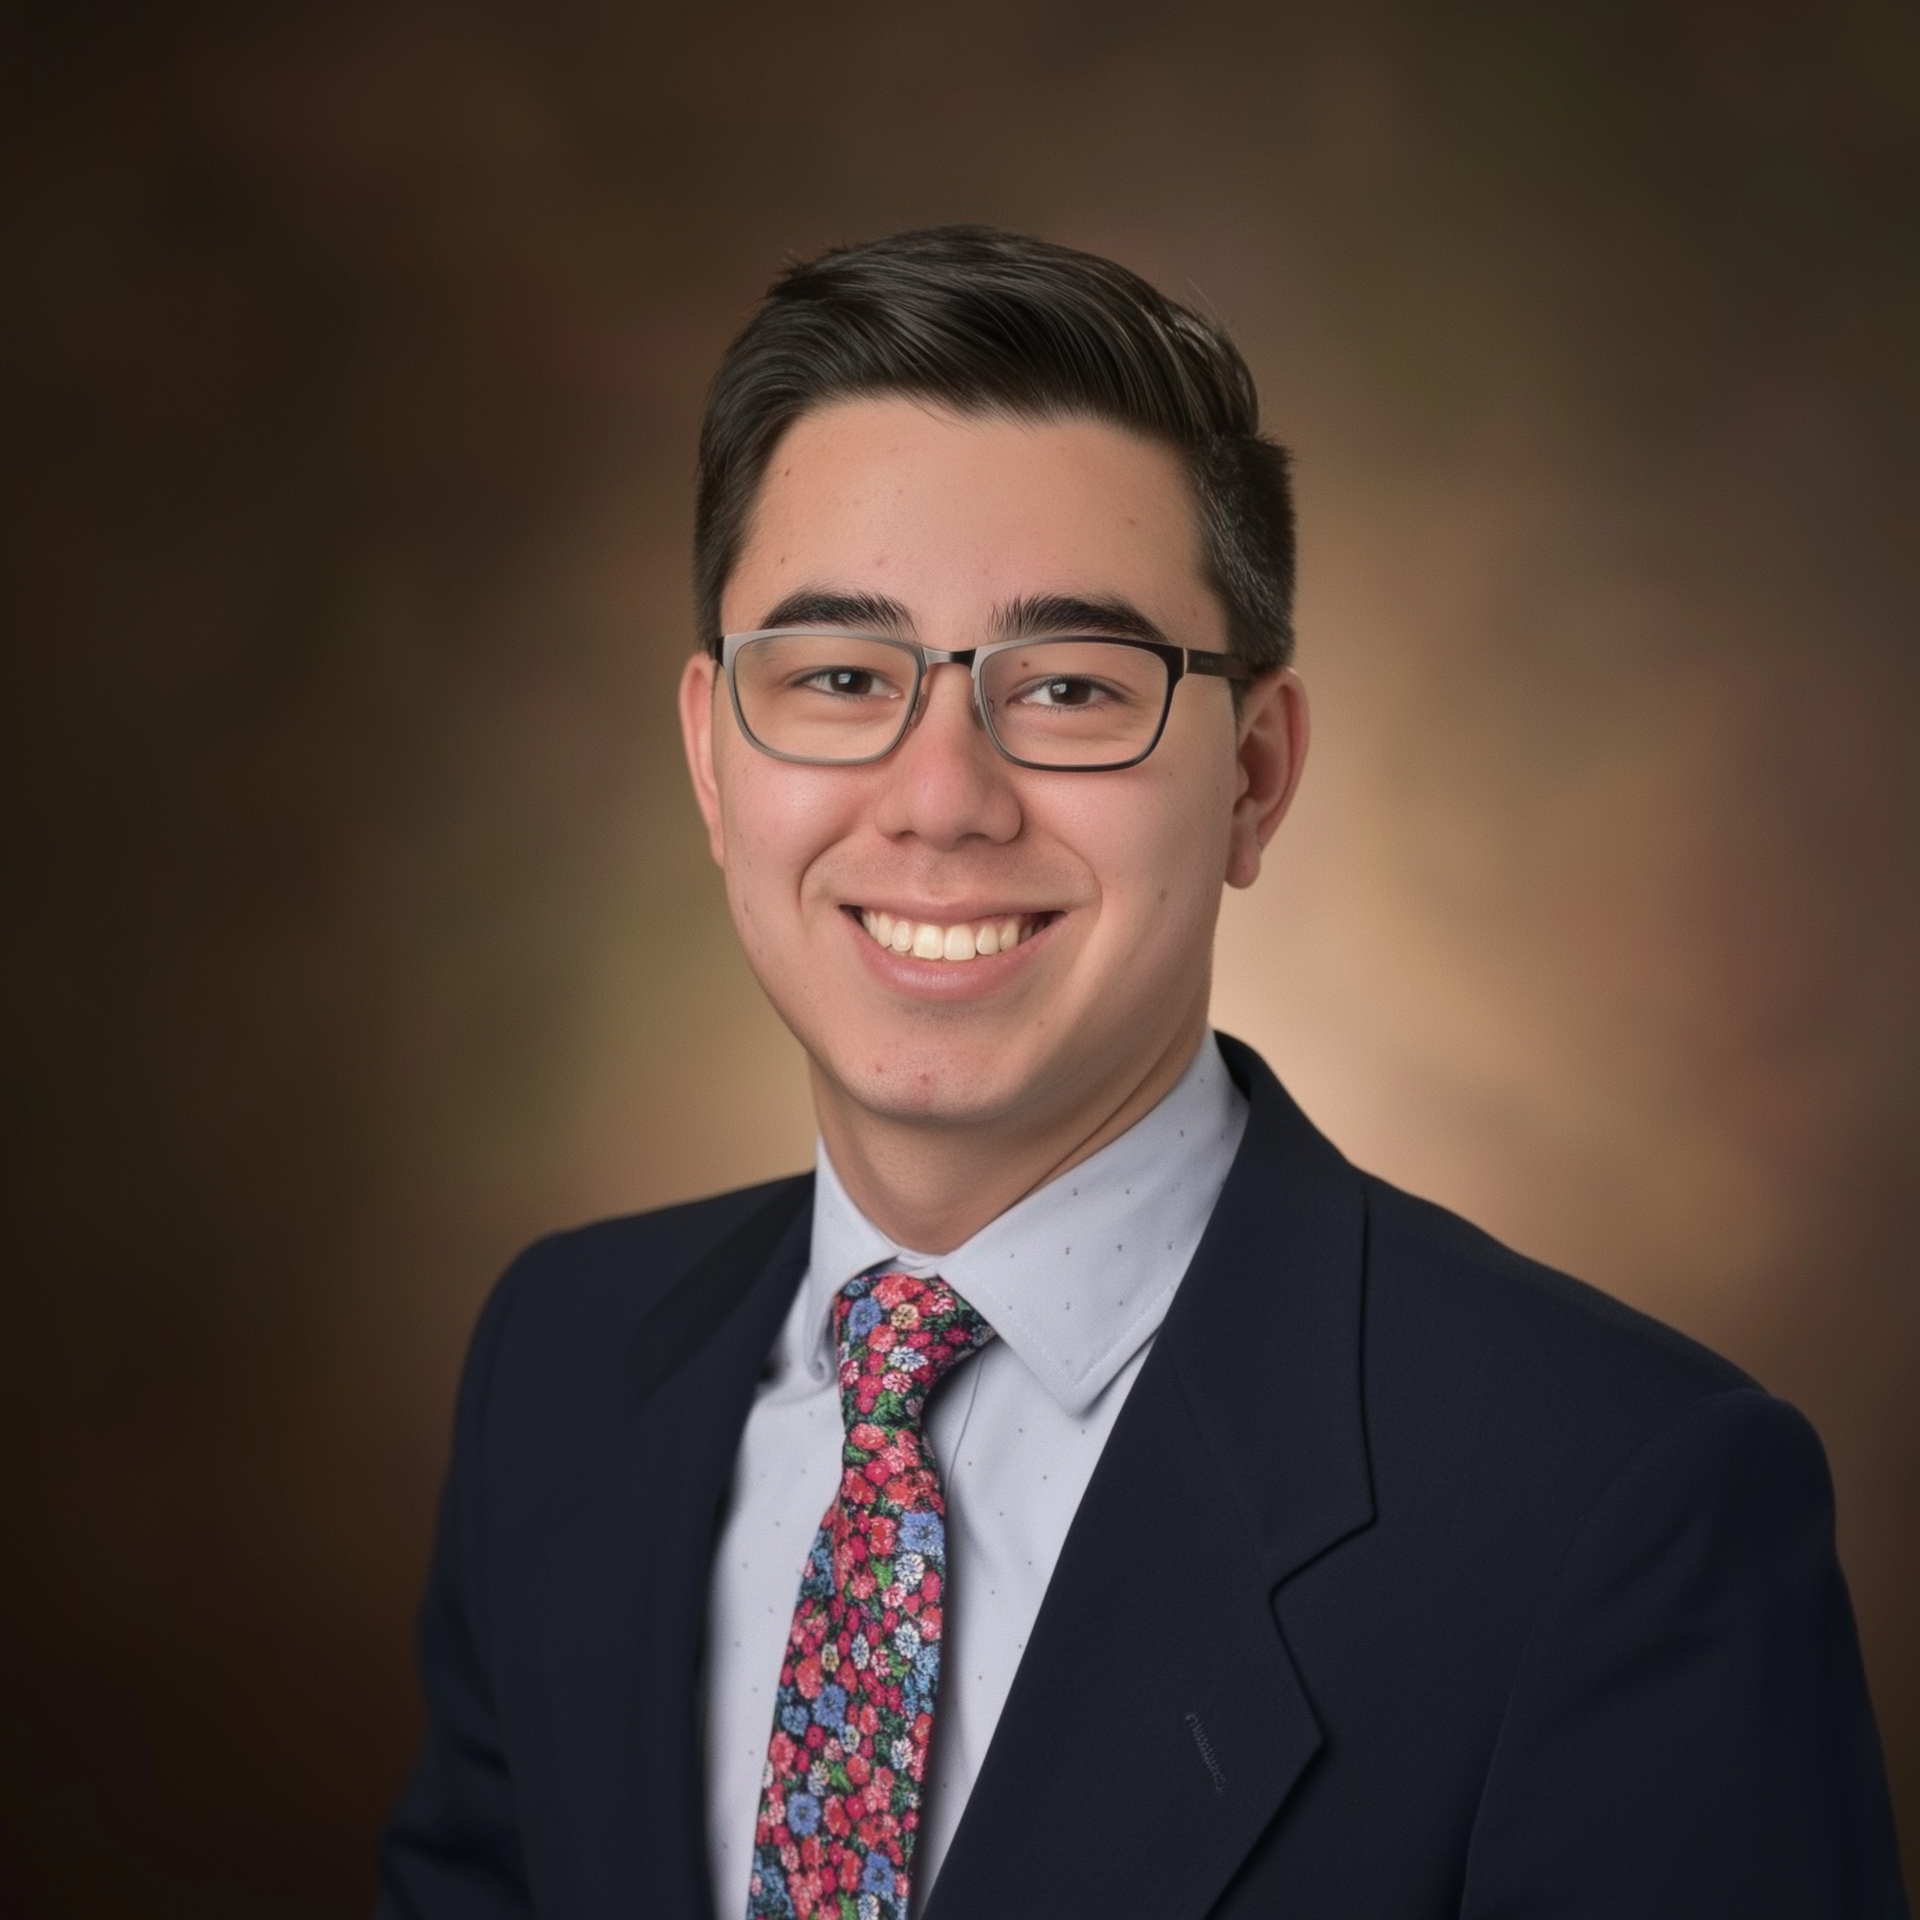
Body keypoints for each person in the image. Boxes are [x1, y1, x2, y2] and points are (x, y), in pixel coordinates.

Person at [376, 226, 1908, 1920]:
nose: (942, 796)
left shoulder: (1618, 1508)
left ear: (1255, 776)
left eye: (1074, 688)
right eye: (834, 677)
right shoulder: (563, 1371)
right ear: (713, 759)